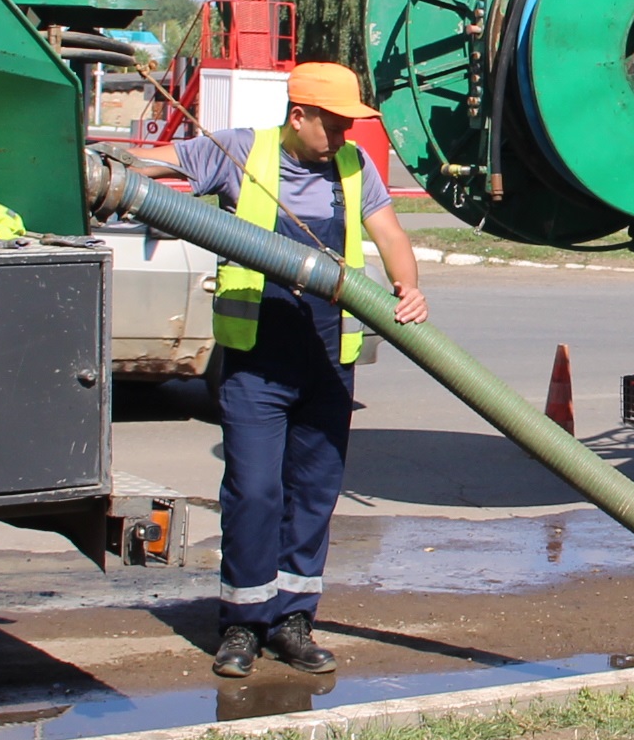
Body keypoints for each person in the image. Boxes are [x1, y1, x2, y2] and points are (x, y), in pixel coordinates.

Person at [143, 63, 428, 678]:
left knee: (314, 494)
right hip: (257, 362)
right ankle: (243, 624)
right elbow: (159, 162)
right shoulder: (241, 151)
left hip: (327, 362)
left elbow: (390, 233)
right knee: (255, 491)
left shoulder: (354, 167)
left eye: (351, 121)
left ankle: (294, 620)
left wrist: (409, 288)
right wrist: (110, 168)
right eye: (334, 121)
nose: (344, 132)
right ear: (298, 115)